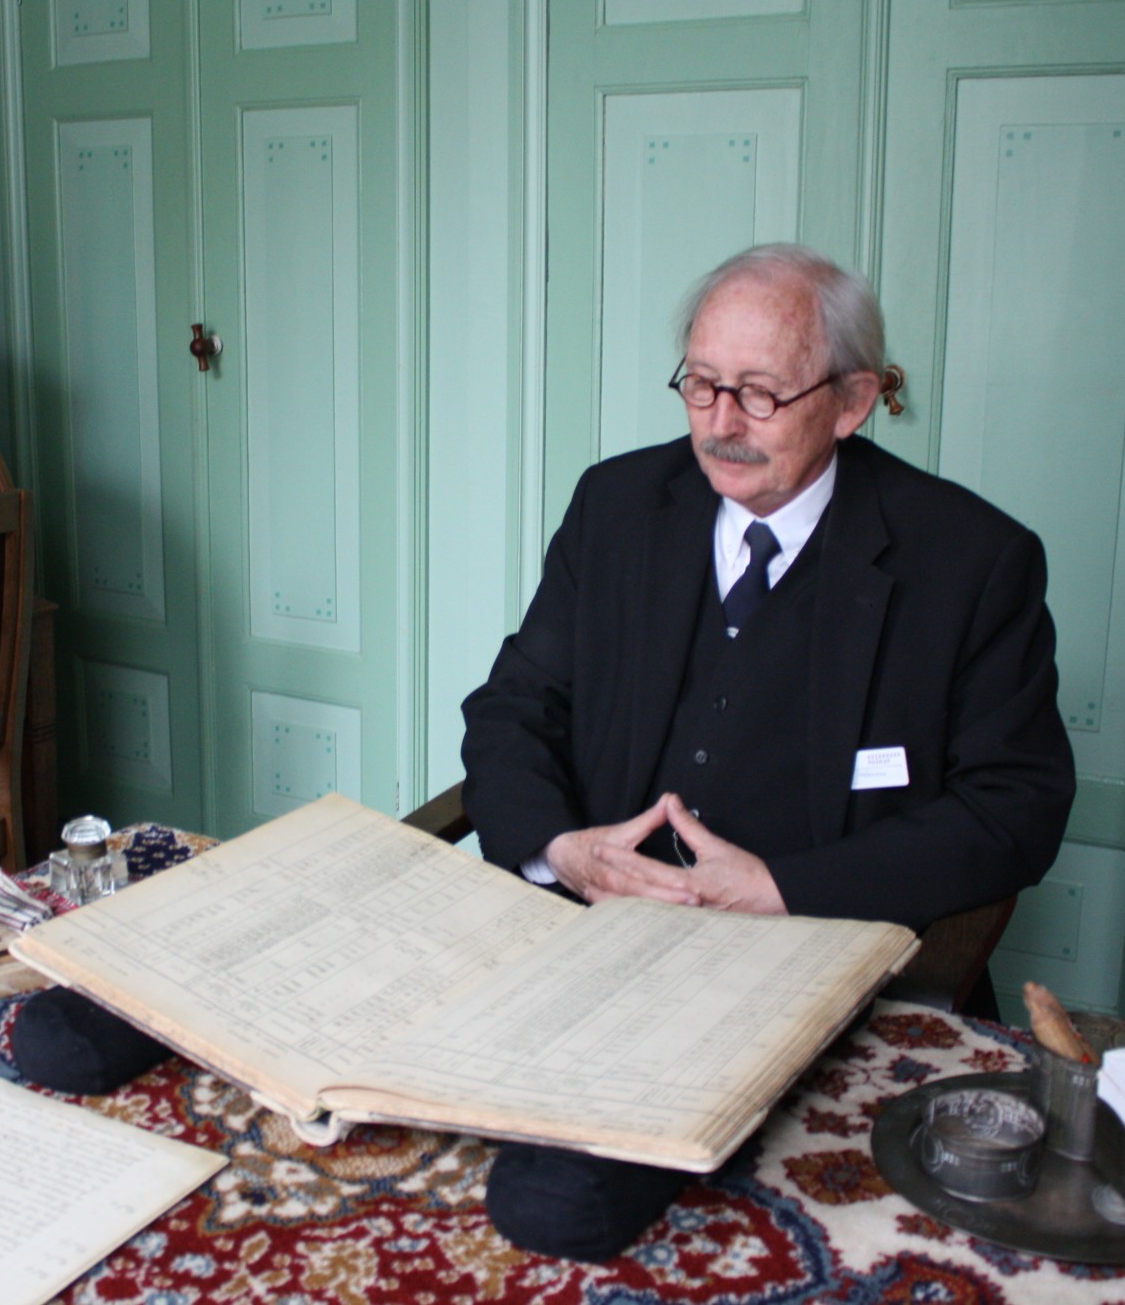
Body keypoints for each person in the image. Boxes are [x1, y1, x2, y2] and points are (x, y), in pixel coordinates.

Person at [457, 242, 1075, 1260]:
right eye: (698, 384)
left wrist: (782, 885)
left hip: (805, 963)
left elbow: (1014, 806)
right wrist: (562, 848)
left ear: (851, 400)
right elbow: (512, 707)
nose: (718, 423)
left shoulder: (968, 560)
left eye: (757, 393)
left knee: (556, 1206)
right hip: (596, 946)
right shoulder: (615, 507)